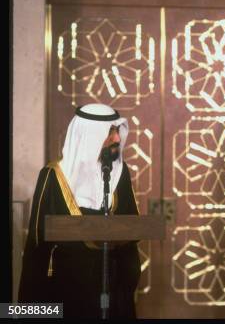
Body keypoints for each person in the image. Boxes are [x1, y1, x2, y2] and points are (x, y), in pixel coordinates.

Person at [18, 103, 141, 319]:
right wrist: (29, 312)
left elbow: (130, 240)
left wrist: (126, 292)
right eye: (110, 132)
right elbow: (36, 249)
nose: (117, 139)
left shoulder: (120, 173)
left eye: (117, 131)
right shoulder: (52, 177)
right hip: (64, 295)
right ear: (90, 135)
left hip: (112, 296)